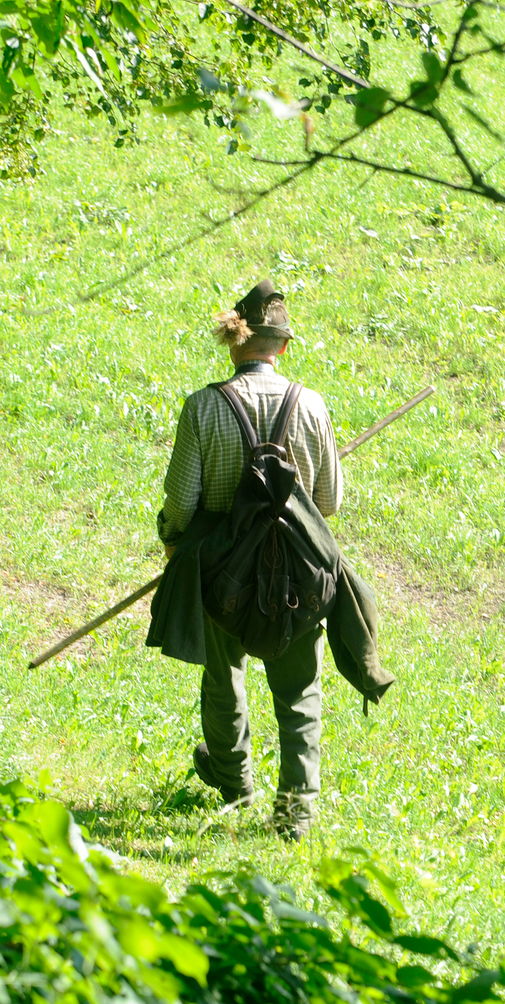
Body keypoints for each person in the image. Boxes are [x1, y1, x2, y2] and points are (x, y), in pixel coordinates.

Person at [156, 280, 343, 842]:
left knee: (223, 678)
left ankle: (234, 785)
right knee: (299, 691)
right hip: (299, 576)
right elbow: (329, 501)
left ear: (235, 340)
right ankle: (296, 814)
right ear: (282, 346)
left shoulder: (204, 407)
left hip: (222, 572)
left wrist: (174, 545)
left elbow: (181, 503)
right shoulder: (311, 405)